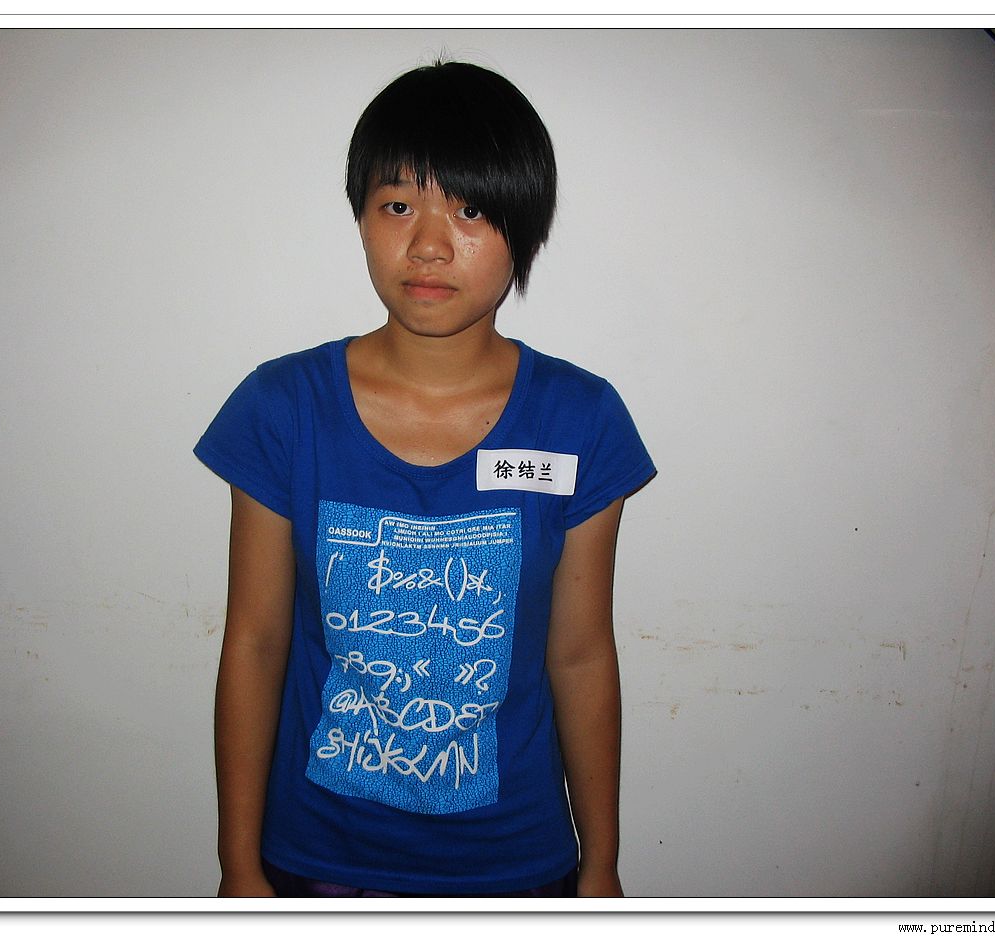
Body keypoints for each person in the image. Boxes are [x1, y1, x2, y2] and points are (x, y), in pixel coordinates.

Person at [194, 60, 655, 898]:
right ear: (361, 220)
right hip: (316, 859)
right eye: (398, 206)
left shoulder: (578, 419)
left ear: (522, 227)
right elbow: (255, 642)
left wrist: (601, 866)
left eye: (470, 209)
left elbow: (580, 653)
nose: (429, 245)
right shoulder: (284, 408)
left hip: (513, 863)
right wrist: (238, 865)